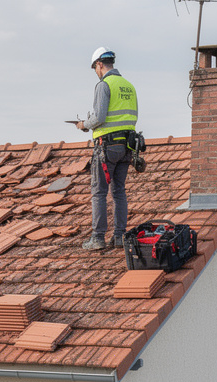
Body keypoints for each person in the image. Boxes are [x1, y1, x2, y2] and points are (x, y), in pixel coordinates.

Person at [75, 47, 137, 251]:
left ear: (99, 65)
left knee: (99, 192)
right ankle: (119, 236)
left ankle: (98, 237)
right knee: (119, 192)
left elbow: (100, 117)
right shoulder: (128, 86)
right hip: (127, 147)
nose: (96, 72)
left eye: (95, 68)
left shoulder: (104, 85)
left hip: (107, 147)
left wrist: (85, 124)